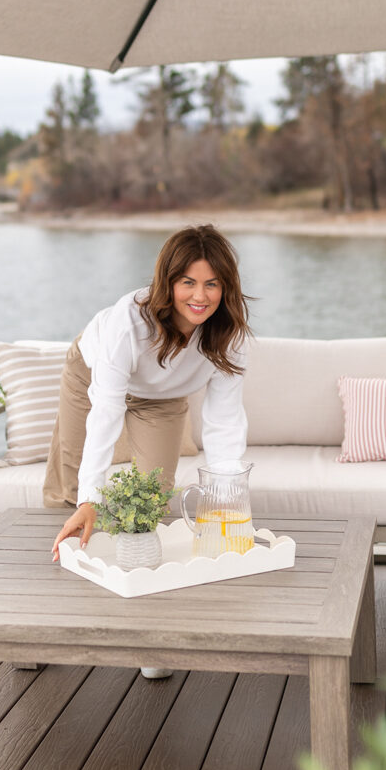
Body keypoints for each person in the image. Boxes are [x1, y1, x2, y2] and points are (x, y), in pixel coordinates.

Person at [47, 224, 251, 566]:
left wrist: (225, 501)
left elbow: (225, 422)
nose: (200, 296)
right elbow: (106, 412)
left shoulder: (230, 336)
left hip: (162, 398)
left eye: (211, 284)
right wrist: (89, 499)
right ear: (167, 282)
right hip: (92, 372)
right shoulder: (129, 321)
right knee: (74, 489)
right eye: (188, 282)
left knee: (150, 501)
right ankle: (63, 557)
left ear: (225, 287)